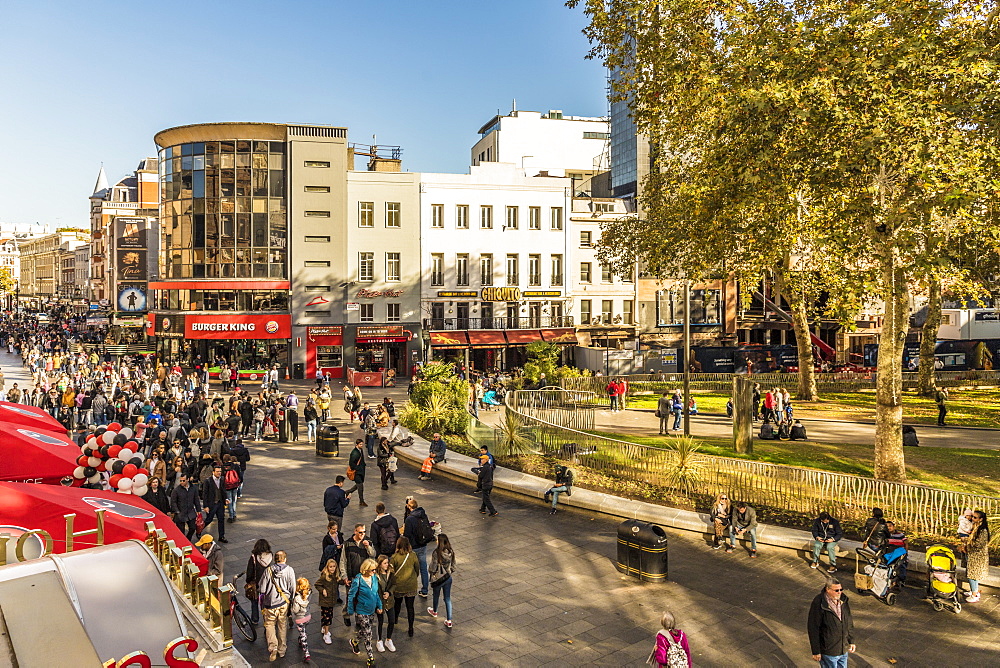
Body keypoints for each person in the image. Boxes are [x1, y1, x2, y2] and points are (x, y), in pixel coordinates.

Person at [807, 578, 856, 668]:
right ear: (828, 590)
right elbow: (813, 627)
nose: (839, 592)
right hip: (829, 650)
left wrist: (851, 640)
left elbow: (848, 620)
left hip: (843, 648)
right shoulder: (819, 603)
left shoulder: (843, 600)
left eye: (841, 589)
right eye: (836, 590)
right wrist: (816, 651)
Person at [260, 550, 296, 662]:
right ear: (285, 559)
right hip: (283, 603)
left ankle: (273, 646)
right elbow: (293, 588)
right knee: (282, 625)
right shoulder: (290, 570)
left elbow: (262, 589)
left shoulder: (268, 571)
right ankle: (282, 650)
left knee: (270, 625)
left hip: (270, 604)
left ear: (275, 559)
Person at [347, 558, 381, 666]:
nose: (374, 572)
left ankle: (354, 641)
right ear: (366, 569)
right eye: (372, 570)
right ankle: (370, 658)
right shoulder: (358, 580)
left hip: (371, 610)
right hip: (362, 611)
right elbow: (351, 595)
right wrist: (350, 609)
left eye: (375, 569)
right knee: (368, 634)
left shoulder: (374, 578)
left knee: (364, 630)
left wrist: (379, 605)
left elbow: (376, 593)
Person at [340, 524, 376, 626]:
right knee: (350, 599)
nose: (362, 534)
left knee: (361, 600)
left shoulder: (368, 541)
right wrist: (344, 576)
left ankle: (358, 620)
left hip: (364, 577)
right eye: (360, 532)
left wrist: (368, 546)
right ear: (355, 531)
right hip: (352, 577)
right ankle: (346, 615)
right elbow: (343, 561)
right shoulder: (347, 544)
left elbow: (373, 554)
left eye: (364, 532)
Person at [387, 536, 419, 642]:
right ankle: (410, 627)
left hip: (399, 586)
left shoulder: (394, 557)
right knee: (410, 607)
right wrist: (414, 577)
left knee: (397, 604)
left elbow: (391, 572)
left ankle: (395, 619)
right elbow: (417, 568)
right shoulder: (413, 555)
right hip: (411, 585)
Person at [401, 497, 433, 597]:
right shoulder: (423, 514)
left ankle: (410, 589)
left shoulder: (410, 519)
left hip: (413, 547)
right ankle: (425, 590)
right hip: (423, 545)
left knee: (410, 569)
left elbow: (407, 535)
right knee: (423, 568)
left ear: (409, 507)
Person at [427, 533, 456, 628]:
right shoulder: (451, 552)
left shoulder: (437, 552)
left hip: (438, 578)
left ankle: (434, 611)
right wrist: (449, 571)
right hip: (448, 577)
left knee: (436, 595)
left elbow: (433, 567)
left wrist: (431, 572)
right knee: (447, 598)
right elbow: (453, 566)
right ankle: (449, 620)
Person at [963, 509, 990, 603]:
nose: (972, 518)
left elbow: (979, 544)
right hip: (973, 555)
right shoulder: (975, 526)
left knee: (972, 575)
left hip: (977, 557)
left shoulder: (983, 530)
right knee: (971, 573)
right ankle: (973, 590)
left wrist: (967, 547)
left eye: (975, 517)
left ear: (980, 519)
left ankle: (974, 595)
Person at [315, 558, 342, 646]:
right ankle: (326, 633)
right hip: (325, 600)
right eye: (330, 567)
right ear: (327, 567)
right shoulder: (324, 576)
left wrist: (345, 581)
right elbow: (317, 584)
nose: (332, 568)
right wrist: (323, 590)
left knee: (327, 615)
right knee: (327, 617)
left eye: (334, 566)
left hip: (331, 600)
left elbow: (340, 581)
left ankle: (324, 628)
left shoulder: (335, 576)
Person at [245, 539, 272, 625]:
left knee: (254, 601)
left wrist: (248, 581)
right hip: (267, 584)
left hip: (256, 584)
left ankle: (255, 619)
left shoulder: (253, 557)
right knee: (265, 603)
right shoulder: (270, 556)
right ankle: (267, 619)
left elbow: (249, 572)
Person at [200, 464, 228, 543]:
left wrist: (225, 499)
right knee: (209, 519)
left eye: (220, 471)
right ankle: (199, 530)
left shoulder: (222, 479)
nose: (219, 473)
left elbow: (223, 490)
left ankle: (221, 536)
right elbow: (204, 494)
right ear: (213, 472)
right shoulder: (208, 481)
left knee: (221, 519)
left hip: (220, 503)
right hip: (212, 504)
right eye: (217, 471)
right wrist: (205, 506)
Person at [169, 473, 201, 540]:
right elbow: (173, 502)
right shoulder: (176, 490)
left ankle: (188, 539)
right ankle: (183, 542)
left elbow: (196, 500)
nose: (181, 482)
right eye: (180, 480)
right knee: (181, 531)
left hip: (190, 512)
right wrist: (177, 512)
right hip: (181, 513)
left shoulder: (193, 488)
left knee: (192, 528)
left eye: (183, 480)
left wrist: (198, 510)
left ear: (188, 480)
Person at [291, 577, 312, 662]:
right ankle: (300, 638)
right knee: (303, 630)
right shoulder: (309, 593)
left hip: (300, 618)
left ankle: (306, 653)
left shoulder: (297, 598)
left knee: (303, 635)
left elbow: (295, 610)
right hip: (308, 616)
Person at [345, 439, 368, 508]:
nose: (362, 445)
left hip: (360, 471)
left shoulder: (360, 450)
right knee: (360, 486)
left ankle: (348, 492)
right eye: (360, 444)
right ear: (356, 445)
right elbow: (351, 464)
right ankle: (361, 501)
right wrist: (357, 468)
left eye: (362, 444)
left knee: (359, 485)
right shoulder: (354, 453)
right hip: (357, 472)